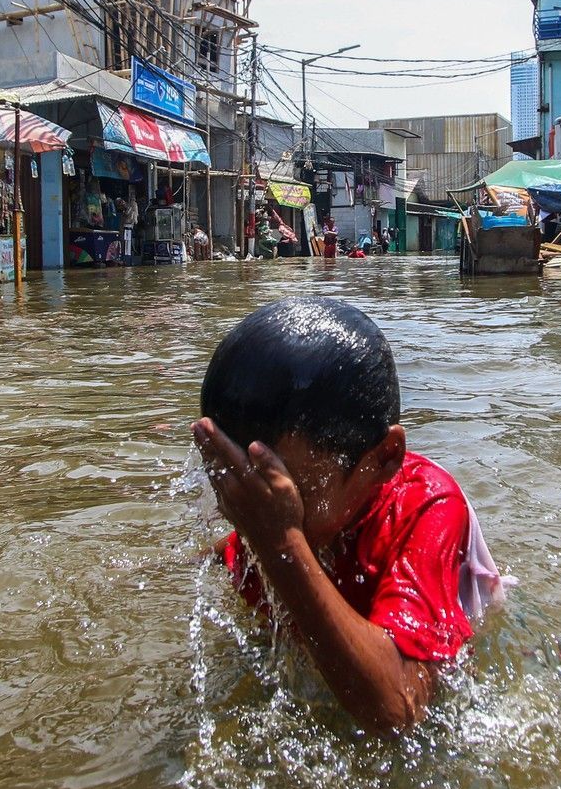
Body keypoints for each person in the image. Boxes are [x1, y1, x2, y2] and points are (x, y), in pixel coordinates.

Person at [193, 298, 511, 733]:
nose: (248, 506)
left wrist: (281, 541)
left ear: (384, 458)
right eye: (234, 482)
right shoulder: (264, 513)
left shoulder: (428, 507)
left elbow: (397, 710)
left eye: (284, 492)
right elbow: (233, 548)